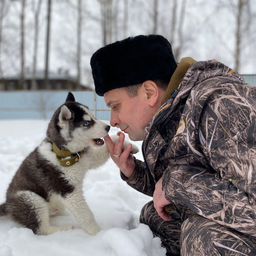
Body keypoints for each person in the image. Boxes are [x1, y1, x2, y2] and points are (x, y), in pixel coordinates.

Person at [90, 34, 256, 255]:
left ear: (149, 93)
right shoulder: (170, 116)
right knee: (155, 216)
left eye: (115, 106)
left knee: (203, 238)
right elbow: (185, 186)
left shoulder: (222, 106)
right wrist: (133, 171)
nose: (113, 120)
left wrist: (174, 183)